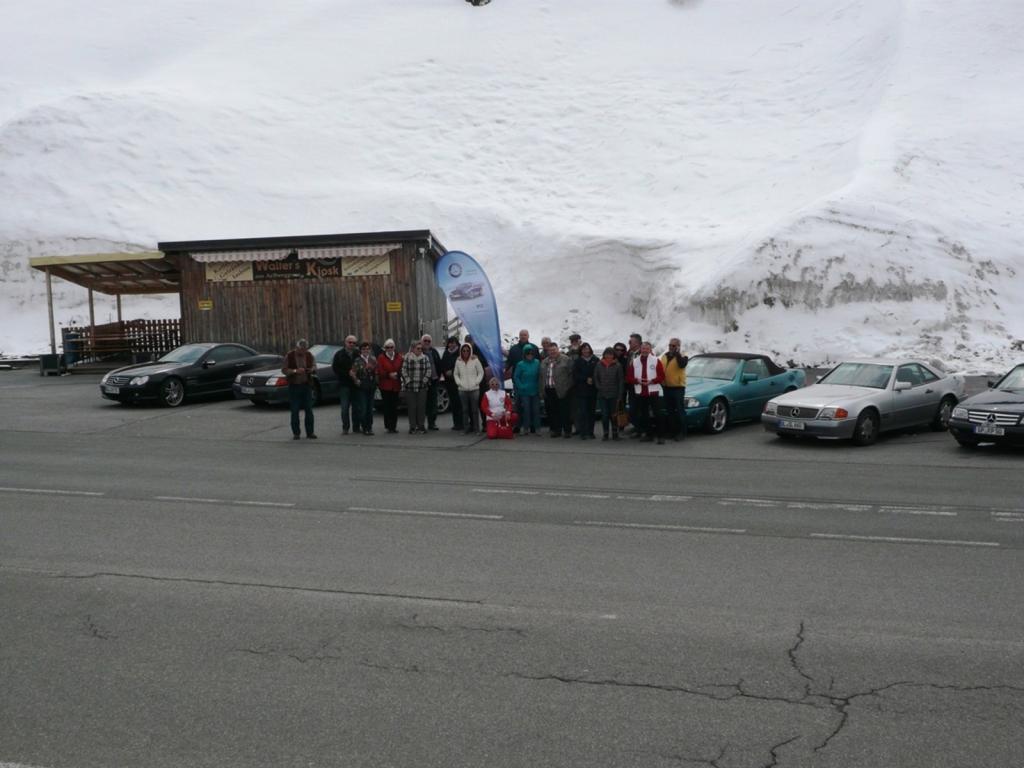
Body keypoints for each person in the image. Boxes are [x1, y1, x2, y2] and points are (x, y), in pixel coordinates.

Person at [626, 341, 666, 444]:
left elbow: (662, 376)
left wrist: (652, 381)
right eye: (643, 348)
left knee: (658, 414)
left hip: (653, 391)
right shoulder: (634, 361)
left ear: (650, 350)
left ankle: (661, 436)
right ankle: (649, 434)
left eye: (647, 349)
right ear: (640, 349)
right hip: (640, 392)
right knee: (644, 414)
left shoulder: (656, 360)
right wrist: (636, 381)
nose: (645, 350)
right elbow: (629, 377)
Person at [283, 338, 317, 440]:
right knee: (295, 410)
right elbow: (284, 370)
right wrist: (295, 371)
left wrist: (311, 369)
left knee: (309, 410)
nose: (303, 351)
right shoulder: (289, 355)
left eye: (305, 349)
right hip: (294, 386)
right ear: (297, 347)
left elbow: (315, 366)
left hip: (306, 385)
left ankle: (310, 432)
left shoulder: (309, 355)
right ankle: (296, 433)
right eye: (302, 349)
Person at [540, 342, 574, 438]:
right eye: (550, 350)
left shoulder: (566, 359)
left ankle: (567, 431)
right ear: (548, 351)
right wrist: (541, 389)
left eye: (554, 350)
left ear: (558, 349)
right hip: (549, 389)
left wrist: (567, 387)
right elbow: (541, 377)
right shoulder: (544, 362)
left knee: (565, 411)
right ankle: (556, 430)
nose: (552, 352)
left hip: (562, 389)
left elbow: (571, 375)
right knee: (553, 411)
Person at [661, 337, 689, 441]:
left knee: (680, 410)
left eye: (673, 345)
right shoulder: (664, 356)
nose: (671, 347)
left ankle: (682, 432)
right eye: (670, 345)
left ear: (678, 347)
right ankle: (672, 431)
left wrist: (677, 354)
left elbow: (682, 365)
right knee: (670, 411)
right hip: (666, 387)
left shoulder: (683, 356)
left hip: (678, 388)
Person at [594, 346, 625, 440]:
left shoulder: (618, 365)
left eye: (610, 354)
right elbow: (596, 377)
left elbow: (620, 381)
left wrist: (620, 395)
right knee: (604, 415)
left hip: (614, 394)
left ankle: (615, 433)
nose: (608, 356)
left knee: (614, 415)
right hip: (602, 394)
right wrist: (599, 387)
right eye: (607, 354)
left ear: (613, 355)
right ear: (604, 355)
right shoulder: (599, 364)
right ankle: (606, 433)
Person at [453, 342, 484, 434]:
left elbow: (481, 372)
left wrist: (476, 382)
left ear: (470, 351)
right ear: (461, 351)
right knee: (465, 410)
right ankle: (466, 428)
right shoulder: (458, 361)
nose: (465, 352)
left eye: (467, 350)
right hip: (462, 389)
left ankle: (476, 429)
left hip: (474, 389)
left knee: (475, 410)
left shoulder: (475, 360)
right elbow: (456, 374)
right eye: (464, 350)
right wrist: (459, 383)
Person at [402, 340, 432, 434]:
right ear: (413, 349)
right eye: (418, 348)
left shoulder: (425, 358)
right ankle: (412, 427)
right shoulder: (407, 358)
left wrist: (424, 381)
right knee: (412, 408)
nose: (420, 350)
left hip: (422, 387)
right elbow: (403, 370)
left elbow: (429, 371)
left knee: (421, 407)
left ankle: (421, 426)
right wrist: (407, 381)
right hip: (410, 387)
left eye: (421, 348)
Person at [331, 335, 358, 435]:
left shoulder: (358, 354)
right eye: (350, 342)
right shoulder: (339, 354)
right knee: (345, 408)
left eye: (354, 343)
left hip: (355, 385)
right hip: (344, 385)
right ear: (345, 342)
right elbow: (335, 368)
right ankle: (345, 427)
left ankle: (356, 427)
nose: (351, 344)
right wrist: (347, 373)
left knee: (356, 407)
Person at [350, 341, 377, 435]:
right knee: (364, 408)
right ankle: (365, 427)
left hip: (371, 386)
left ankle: (370, 427)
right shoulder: (357, 360)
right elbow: (352, 373)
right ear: (360, 350)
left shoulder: (373, 359)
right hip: (362, 387)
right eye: (364, 349)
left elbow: (377, 371)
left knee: (370, 409)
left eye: (367, 349)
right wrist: (356, 380)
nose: (366, 350)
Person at [513, 343, 541, 435]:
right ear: (524, 354)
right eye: (527, 353)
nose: (530, 355)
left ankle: (537, 428)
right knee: (526, 410)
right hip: (524, 391)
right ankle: (526, 428)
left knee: (536, 410)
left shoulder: (537, 363)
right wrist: (521, 386)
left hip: (535, 390)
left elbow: (540, 375)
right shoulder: (520, 364)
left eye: (531, 353)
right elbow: (516, 377)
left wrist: (540, 386)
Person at [377, 339, 403, 434]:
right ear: (385, 348)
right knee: (387, 406)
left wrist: (398, 374)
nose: (390, 349)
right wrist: (389, 375)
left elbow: (402, 369)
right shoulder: (381, 357)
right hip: (385, 385)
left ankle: (393, 426)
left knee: (394, 407)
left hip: (396, 385)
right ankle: (388, 425)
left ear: (394, 348)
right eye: (387, 347)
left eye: (391, 347)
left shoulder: (399, 357)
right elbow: (379, 370)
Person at [572, 342, 598, 439]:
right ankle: (583, 432)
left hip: (592, 390)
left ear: (590, 349)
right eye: (583, 349)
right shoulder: (578, 361)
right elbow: (575, 375)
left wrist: (593, 379)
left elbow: (599, 373)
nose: (586, 351)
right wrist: (585, 379)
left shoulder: (595, 360)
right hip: (581, 390)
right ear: (581, 351)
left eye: (587, 348)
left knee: (591, 412)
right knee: (582, 412)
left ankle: (591, 431)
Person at [440, 336, 464, 431]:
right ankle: (456, 423)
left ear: (456, 343)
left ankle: (462, 423)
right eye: (450, 343)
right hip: (449, 382)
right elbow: (442, 365)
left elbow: (462, 365)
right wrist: (445, 372)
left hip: (459, 382)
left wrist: (453, 371)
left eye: (453, 343)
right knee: (453, 403)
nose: (451, 345)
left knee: (460, 403)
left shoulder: (460, 352)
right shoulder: (446, 353)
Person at [421, 334, 442, 431]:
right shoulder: (419, 351)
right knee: (422, 404)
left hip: (433, 381)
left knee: (433, 403)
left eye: (428, 341)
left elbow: (439, 364)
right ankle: (420, 424)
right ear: (422, 342)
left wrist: (438, 376)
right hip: (423, 382)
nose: (427, 342)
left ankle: (432, 423)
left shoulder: (434, 352)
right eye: (425, 341)